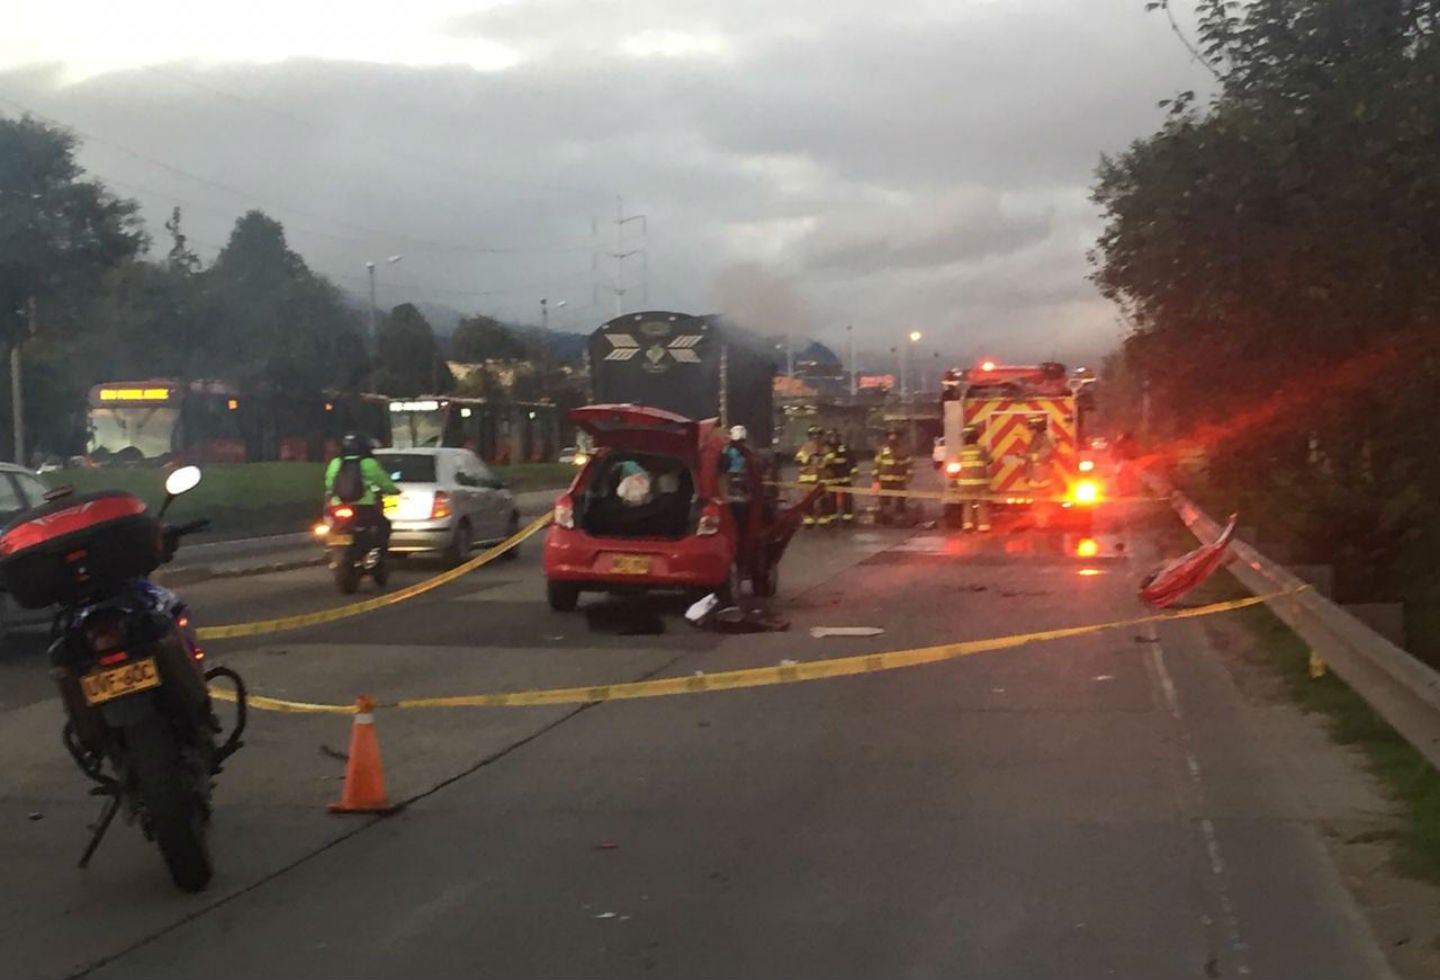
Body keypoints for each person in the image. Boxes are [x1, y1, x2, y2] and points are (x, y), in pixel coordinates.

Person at [325, 433, 400, 550]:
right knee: (383, 525)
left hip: (338, 504)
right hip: (364, 506)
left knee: (333, 527)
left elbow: (329, 483)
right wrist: (393, 491)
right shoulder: (368, 463)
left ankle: (333, 549)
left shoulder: (336, 462)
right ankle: (377, 553)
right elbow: (383, 481)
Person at [955, 424, 992, 532]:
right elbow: (989, 461)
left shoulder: (961, 451)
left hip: (964, 484)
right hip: (980, 484)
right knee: (982, 504)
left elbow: (958, 464)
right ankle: (983, 526)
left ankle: (968, 526)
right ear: (976, 437)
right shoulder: (981, 449)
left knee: (967, 505)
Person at [873, 428, 913, 526]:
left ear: (898, 437)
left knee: (900, 500)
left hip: (899, 480)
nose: (893, 437)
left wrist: (909, 476)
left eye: (895, 435)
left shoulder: (904, 449)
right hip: (884, 480)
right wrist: (875, 480)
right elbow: (876, 464)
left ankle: (900, 520)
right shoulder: (882, 449)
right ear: (887, 437)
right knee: (885, 501)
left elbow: (909, 464)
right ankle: (886, 519)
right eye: (891, 435)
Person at [823, 429, 857, 526]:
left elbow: (851, 459)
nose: (834, 439)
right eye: (832, 437)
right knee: (831, 499)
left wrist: (853, 469)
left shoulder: (844, 448)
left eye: (835, 437)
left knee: (847, 499)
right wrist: (826, 459)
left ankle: (847, 519)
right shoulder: (825, 449)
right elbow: (820, 463)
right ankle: (832, 518)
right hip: (831, 478)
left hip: (844, 477)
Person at [796, 425, 827, 528]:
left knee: (823, 500)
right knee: (808, 501)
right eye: (814, 435)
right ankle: (809, 521)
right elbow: (798, 460)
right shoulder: (805, 447)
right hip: (806, 480)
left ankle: (823, 520)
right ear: (810, 436)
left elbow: (829, 460)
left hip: (821, 479)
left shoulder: (825, 448)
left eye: (818, 435)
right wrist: (809, 457)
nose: (816, 437)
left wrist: (823, 459)